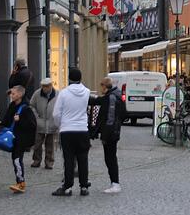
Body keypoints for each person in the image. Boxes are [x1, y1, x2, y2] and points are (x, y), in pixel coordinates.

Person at [52, 67, 91, 196]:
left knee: (68, 159)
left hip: (67, 130)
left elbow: (56, 113)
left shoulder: (63, 93)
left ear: (69, 79)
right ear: (80, 78)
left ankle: (67, 187)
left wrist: (60, 125)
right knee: (83, 158)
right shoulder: (86, 92)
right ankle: (84, 186)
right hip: (82, 129)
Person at [0, 85, 36, 194]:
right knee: (15, 158)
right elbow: (8, 120)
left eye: (13, 94)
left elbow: (32, 125)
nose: (11, 95)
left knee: (17, 159)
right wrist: (0, 123)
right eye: (11, 94)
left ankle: (21, 183)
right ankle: (20, 182)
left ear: (20, 94)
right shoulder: (12, 105)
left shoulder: (26, 108)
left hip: (22, 138)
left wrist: (20, 119)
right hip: (14, 137)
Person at [89, 77, 126, 194]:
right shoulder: (115, 95)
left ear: (105, 86)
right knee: (111, 157)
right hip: (114, 132)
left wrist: (104, 134)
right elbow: (123, 114)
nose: (100, 89)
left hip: (110, 133)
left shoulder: (111, 98)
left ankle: (115, 183)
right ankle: (114, 183)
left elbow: (108, 118)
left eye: (101, 87)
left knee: (110, 158)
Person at [30, 78, 58, 169]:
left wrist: (57, 117)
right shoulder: (37, 94)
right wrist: (36, 117)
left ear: (51, 86)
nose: (45, 88)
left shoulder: (57, 94)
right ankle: (36, 160)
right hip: (40, 122)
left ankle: (49, 162)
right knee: (37, 143)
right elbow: (31, 106)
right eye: (43, 86)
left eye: (46, 86)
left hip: (52, 122)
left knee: (50, 144)